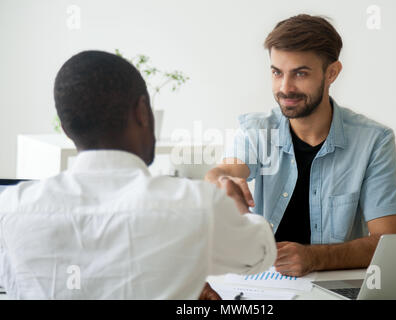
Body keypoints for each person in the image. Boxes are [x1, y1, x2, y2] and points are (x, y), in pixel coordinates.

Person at [0, 50, 276, 299]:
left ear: (66, 127)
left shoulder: (10, 208)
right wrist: (239, 209)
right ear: (142, 111)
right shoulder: (197, 205)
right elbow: (259, 255)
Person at [205, 14, 396, 277]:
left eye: (300, 73)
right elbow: (223, 171)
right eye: (277, 73)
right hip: (265, 285)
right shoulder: (258, 130)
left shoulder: (374, 142)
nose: (285, 88)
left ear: (332, 72)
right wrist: (221, 180)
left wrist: (314, 258)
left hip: (334, 287)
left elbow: (387, 242)